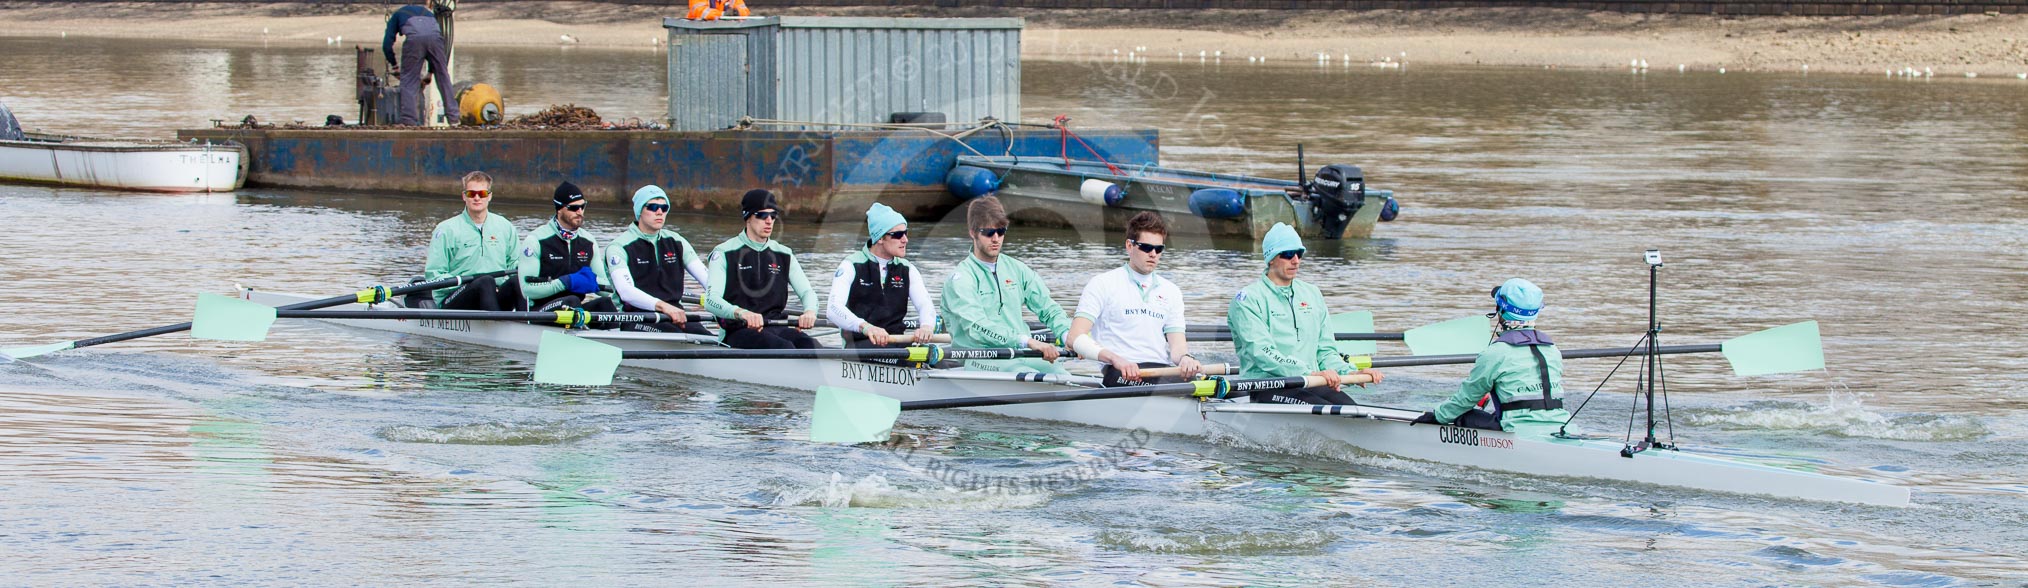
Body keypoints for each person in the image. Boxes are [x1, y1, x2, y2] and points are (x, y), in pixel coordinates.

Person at [1226, 222, 1383, 404]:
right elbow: (1263, 353)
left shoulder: (1312, 293)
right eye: (1287, 254)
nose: (1295, 260)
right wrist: (1310, 372)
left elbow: (1325, 351)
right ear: (1270, 258)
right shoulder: (1247, 299)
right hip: (1266, 385)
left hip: (1310, 381)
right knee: (1334, 414)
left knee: (1354, 411)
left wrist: (1350, 372)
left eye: (1299, 253)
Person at [1415, 279, 1572, 431]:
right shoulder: (1552, 350)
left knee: (1463, 415)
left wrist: (1437, 417)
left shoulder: (1495, 353)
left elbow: (1467, 398)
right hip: (1561, 424)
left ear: (1500, 309)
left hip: (1516, 430)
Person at [1066, 211, 1201, 387]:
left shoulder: (1171, 291)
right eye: (1146, 247)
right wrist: (1115, 359)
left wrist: (1185, 358)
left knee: (1204, 384)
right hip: (1118, 371)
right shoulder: (1103, 283)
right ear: (1129, 246)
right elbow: (1074, 337)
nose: (1153, 254)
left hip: (1160, 370)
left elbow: (1177, 347)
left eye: (1159, 249)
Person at [940, 196, 1071, 373]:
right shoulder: (961, 278)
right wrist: (1027, 341)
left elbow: (1049, 308)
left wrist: (1069, 335)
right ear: (973, 233)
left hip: (1018, 352)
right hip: (978, 357)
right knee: (1028, 377)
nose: (996, 239)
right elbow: (977, 327)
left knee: (1060, 374)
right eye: (988, 233)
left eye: (1001, 231)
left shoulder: (1017, 269)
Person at [705, 189, 820, 349]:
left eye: (773, 216)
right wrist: (741, 313)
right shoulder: (724, 252)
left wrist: (810, 312)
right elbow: (711, 300)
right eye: (761, 215)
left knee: (811, 345)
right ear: (748, 217)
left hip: (775, 326)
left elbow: (807, 292)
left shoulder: (784, 254)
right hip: (739, 330)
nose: (769, 221)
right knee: (784, 348)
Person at [606, 186, 713, 336]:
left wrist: (738, 305)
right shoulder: (619, 247)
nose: (659, 212)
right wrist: (663, 307)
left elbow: (708, 280)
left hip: (675, 314)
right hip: (637, 318)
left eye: (664, 208)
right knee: (675, 334)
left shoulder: (676, 241)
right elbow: (626, 292)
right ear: (639, 211)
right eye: (653, 207)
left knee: (706, 337)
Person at [827, 202, 936, 349]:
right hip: (860, 344)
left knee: (935, 358)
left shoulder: (907, 269)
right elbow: (833, 309)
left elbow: (925, 305)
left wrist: (926, 327)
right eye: (898, 235)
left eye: (906, 233)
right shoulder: (851, 266)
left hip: (896, 342)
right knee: (915, 361)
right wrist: (867, 327)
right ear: (879, 238)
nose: (905, 239)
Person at [517, 181, 618, 316]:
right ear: (559, 209)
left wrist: (593, 281)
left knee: (605, 304)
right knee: (571, 302)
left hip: (573, 310)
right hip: (541, 310)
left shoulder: (588, 241)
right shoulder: (536, 240)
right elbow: (527, 290)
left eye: (582, 206)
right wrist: (563, 283)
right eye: (573, 208)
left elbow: (605, 290)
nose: (580, 212)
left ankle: (614, 335)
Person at [424, 171, 520, 311]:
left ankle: (529, 324)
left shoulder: (506, 227)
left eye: (482, 194)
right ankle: (495, 326)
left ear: (489, 196)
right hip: (455, 296)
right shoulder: (446, 229)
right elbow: (434, 274)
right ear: (464, 196)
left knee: (516, 281)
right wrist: (470, 284)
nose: (476, 198)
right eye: (471, 194)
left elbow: (515, 266)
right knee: (485, 281)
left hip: (495, 293)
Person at [381, 4, 457, 126]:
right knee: (443, 77)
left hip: (414, 39)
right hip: (436, 39)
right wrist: (430, 73)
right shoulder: (428, 13)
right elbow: (431, 38)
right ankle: (454, 119)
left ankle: (409, 120)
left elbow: (386, 45)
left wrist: (394, 65)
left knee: (409, 80)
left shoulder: (396, 16)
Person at [685, 0, 749, 20]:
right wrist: (723, 15)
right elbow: (700, 11)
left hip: (725, 33)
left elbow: (745, 11)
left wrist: (737, 12)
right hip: (697, 32)